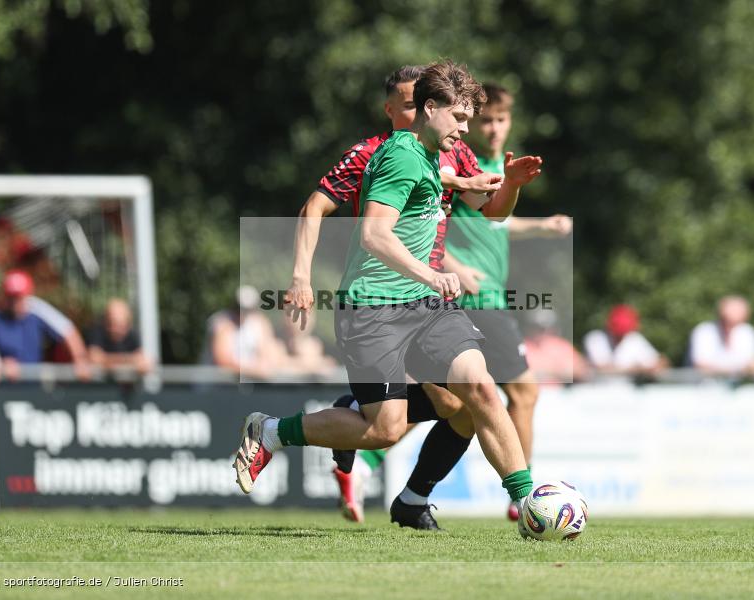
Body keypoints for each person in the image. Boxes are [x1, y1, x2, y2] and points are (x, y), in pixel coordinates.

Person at [236, 60, 536, 535]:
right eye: (459, 118)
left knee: (476, 392)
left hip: (427, 304)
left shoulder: (440, 153)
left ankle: (528, 504)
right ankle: (271, 431)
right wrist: (302, 277)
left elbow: (487, 207)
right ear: (425, 108)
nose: (467, 128)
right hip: (375, 307)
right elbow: (372, 234)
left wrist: (510, 185)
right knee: (386, 429)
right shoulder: (392, 154)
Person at [431, 82, 570, 520]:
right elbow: (433, 222)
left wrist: (542, 226)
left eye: (499, 119)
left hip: (490, 296)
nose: (490, 127)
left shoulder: (495, 166)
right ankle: (525, 500)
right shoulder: (459, 164)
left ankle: (396, 478)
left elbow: (495, 222)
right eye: (483, 119)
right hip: (477, 296)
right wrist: (451, 263)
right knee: (522, 392)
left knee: (455, 404)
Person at [0, 270, 90, 381]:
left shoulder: (36, 308)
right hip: (0, 383)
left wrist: (80, 359)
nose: (14, 302)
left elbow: (68, 330)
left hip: (32, 383)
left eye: (18, 297)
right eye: (11, 297)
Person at [201, 286, 288, 381]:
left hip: (247, 386)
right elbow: (223, 361)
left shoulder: (259, 322)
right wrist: (253, 371)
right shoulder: (222, 323)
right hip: (218, 387)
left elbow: (267, 352)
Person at [689, 295, 754, 378]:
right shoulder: (704, 331)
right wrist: (740, 370)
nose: (730, 327)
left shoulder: (747, 331)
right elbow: (701, 366)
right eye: (728, 321)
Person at [583, 304, 667, 377]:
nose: (620, 335)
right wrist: (636, 370)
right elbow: (602, 369)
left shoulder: (634, 339)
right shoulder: (596, 339)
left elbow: (659, 362)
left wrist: (654, 367)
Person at [87, 298, 153, 376]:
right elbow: (94, 359)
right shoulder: (97, 332)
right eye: (112, 323)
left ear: (128, 324)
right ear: (106, 321)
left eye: (120, 325)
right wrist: (130, 360)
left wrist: (108, 361)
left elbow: (144, 364)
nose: (116, 329)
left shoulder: (132, 335)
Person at [523, 309, 590, 384]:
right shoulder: (522, 347)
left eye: (543, 327)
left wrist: (550, 373)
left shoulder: (561, 346)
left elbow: (581, 371)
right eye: (534, 326)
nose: (538, 331)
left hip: (560, 393)